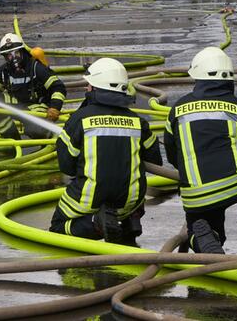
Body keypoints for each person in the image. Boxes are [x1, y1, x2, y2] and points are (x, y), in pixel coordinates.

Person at [162, 46, 237, 256]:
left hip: (195, 192)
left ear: (197, 78)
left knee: (203, 228)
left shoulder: (177, 109)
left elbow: (172, 154)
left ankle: (203, 239)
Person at [49, 58, 162, 245]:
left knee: (59, 225)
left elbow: (67, 166)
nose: (86, 88)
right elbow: (155, 161)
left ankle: (96, 224)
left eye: (89, 84)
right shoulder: (138, 121)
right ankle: (130, 221)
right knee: (133, 184)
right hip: (129, 201)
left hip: (89, 198)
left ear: (95, 88)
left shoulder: (79, 119)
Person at [0, 33, 66, 140]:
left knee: (33, 130)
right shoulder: (5, 71)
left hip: (37, 106)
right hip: (17, 105)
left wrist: (55, 107)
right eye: (9, 55)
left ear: (22, 51)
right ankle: (12, 141)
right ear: (5, 57)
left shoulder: (36, 68)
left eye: (16, 53)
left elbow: (58, 87)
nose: (13, 58)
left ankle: (53, 137)